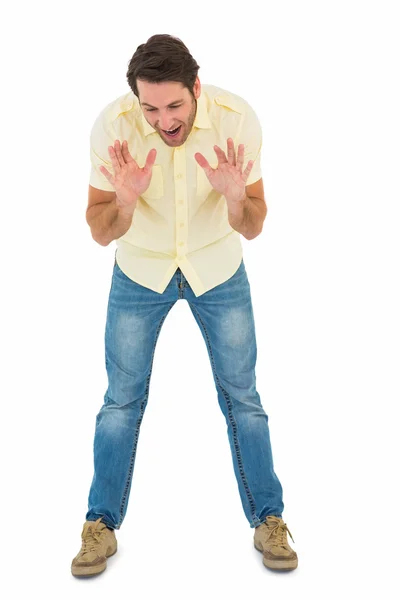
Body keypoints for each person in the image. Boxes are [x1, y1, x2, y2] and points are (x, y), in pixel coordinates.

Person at [71, 33, 298, 577]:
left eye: (174, 105)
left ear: (195, 87)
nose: (163, 119)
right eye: (150, 107)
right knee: (120, 401)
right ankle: (100, 525)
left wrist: (237, 197)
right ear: (135, 100)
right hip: (141, 270)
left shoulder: (236, 121)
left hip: (216, 267)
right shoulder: (113, 128)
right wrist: (125, 200)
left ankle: (269, 520)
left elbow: (255, 225)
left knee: (243, 397)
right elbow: (101, 231)